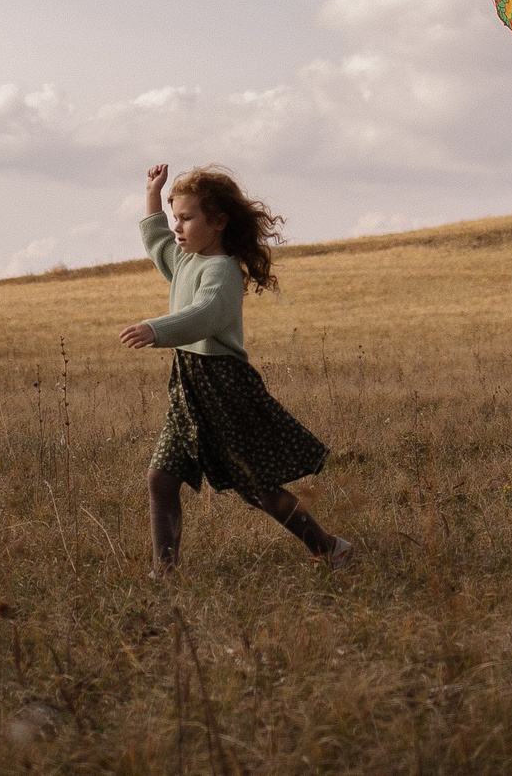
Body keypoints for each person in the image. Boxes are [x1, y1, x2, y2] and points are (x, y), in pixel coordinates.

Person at [120, 162, 352, 574]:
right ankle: (165, 573)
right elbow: (156, 240)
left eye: (187, 218)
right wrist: (153, 194)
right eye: (176, 217)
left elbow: (204, 315)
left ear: (219, 222)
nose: (177, 227)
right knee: (161, 477)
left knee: (255, 486)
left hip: (224, 386)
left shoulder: (221, 271)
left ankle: (330, 547)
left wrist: (156, 329)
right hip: (189, 387)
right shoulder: (184, 260)